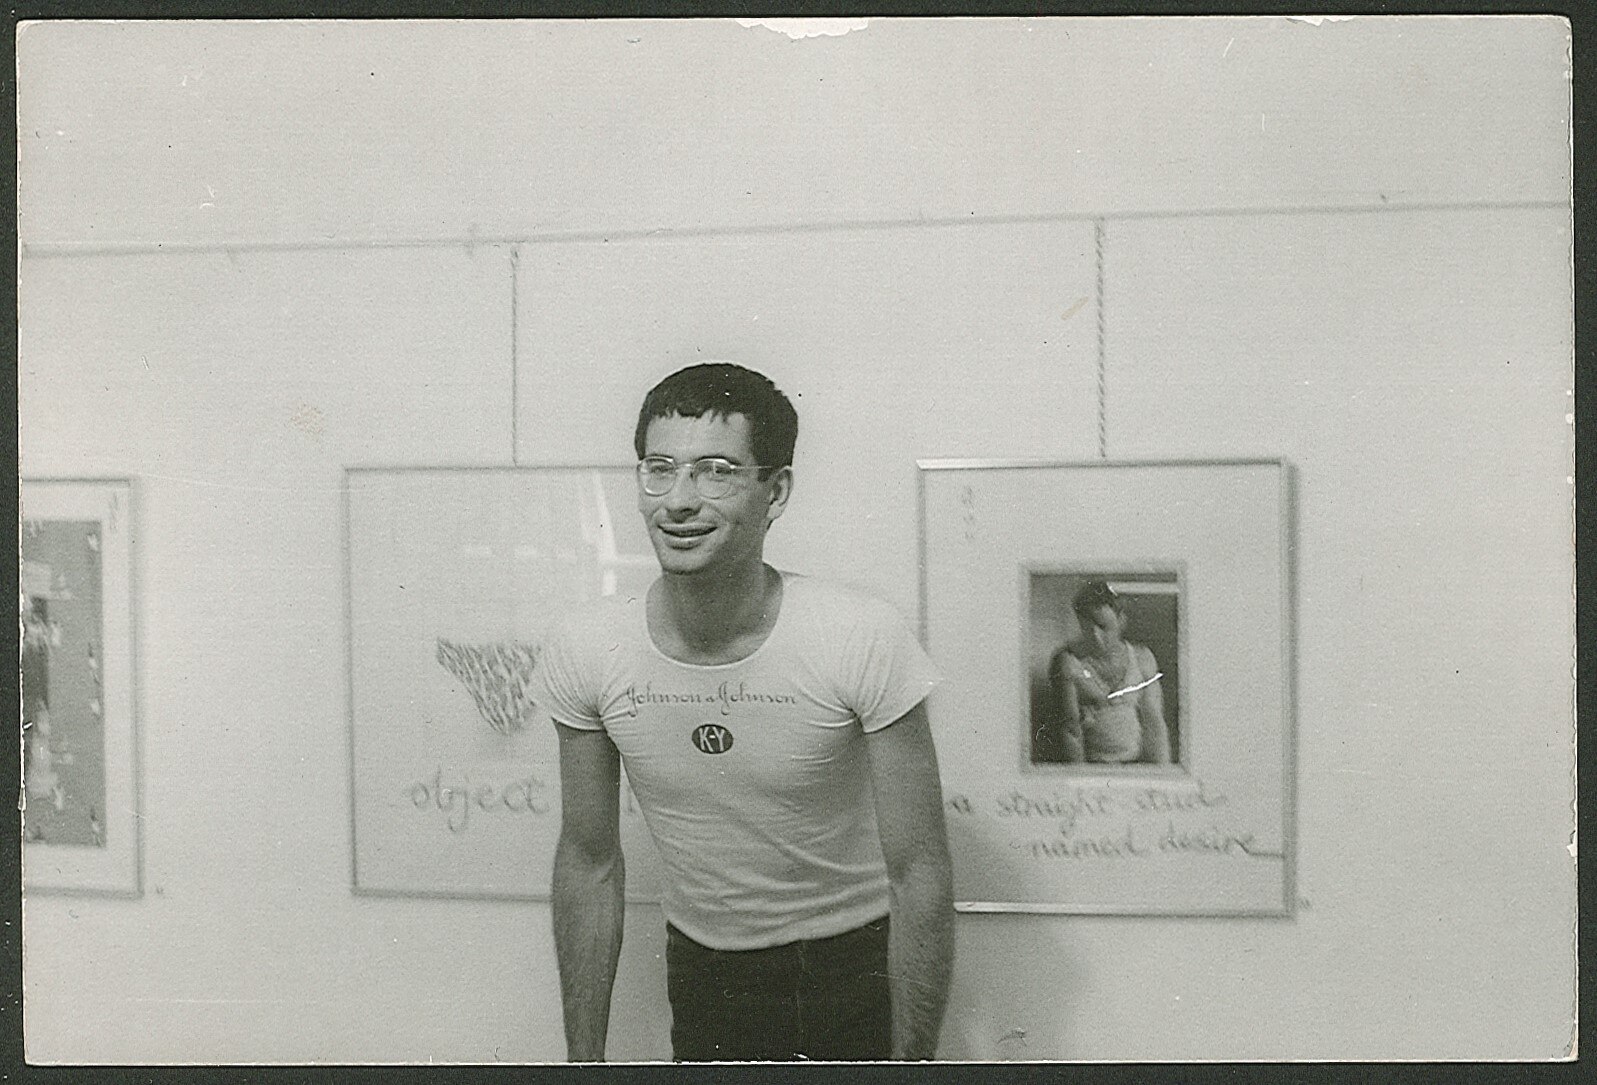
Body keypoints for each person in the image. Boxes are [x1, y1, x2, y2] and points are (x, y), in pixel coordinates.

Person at [528, 362, 954, 1062]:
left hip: (856, 961)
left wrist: (912, 1068)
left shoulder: (859, 634)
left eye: (716, 470)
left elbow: (920, 871)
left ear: (774, 490)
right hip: (703, 970)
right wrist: (583, 1065)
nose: (678, 500)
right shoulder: (588, 646)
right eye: (658, 469)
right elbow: (587, 860)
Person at [1048, 579, 1171, 765]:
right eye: (1087, 629)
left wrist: (1162, 775)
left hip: (1136, 763)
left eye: (1104, 627)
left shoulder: (1142, 658)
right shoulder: (1068, 662)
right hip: (1092, 767)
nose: (1096, 638)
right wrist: (1082, 782)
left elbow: (1154, 724)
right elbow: (1070, 731)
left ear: (1121, 621)